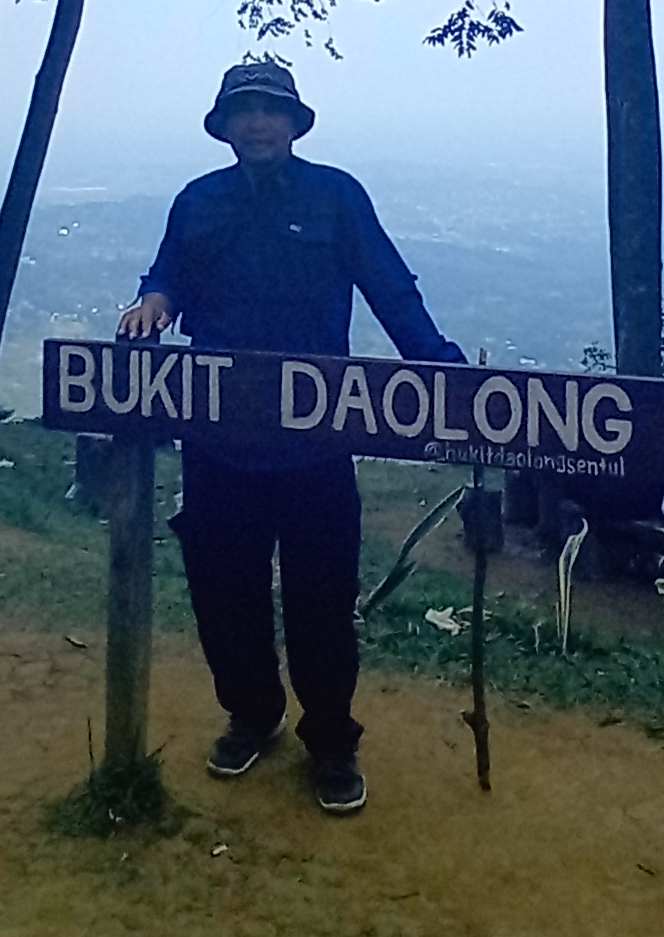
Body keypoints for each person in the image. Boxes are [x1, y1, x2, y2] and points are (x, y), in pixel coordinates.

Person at [120, 57, 465, 816]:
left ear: (293, 123)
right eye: (244, 110)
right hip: (218, 442)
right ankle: (252, 714)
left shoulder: (336, 196)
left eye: (271, 110)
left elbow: (389, 286)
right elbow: (167, 276)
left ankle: (332, 741)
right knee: (224, 592)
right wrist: (153, 303)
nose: (257, 122)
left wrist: (444, 372)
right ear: (225, 125)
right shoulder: (197, 201)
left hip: (317, 444)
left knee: (322, 598)